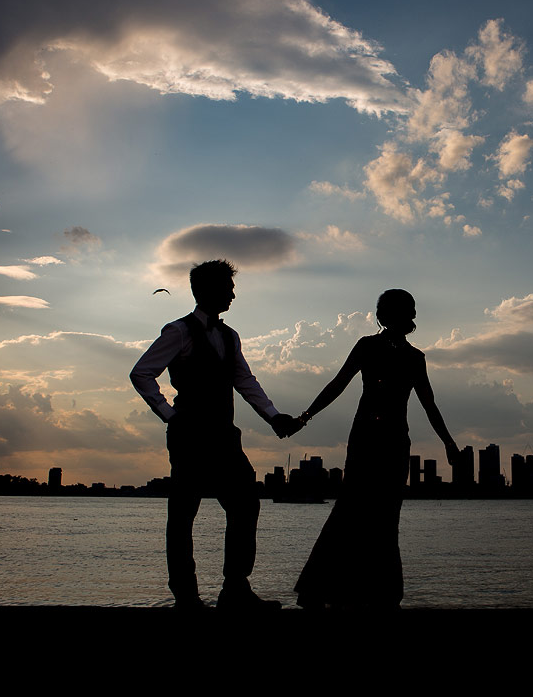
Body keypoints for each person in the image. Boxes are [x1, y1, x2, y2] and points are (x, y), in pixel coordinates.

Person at [130, 259, 300, 609]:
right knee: (183, 514)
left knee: (244, 505)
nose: (233, 295)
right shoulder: (177, 331)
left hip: (224, 435)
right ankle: (187, 597)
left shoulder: (228, 335)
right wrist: (169, 415)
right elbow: (142, 373)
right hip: (189, 435)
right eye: (228, 288)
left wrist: (272, 416)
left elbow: (244, 380)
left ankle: (235, 589)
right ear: (205, 291)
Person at [293, 288, 459, 609]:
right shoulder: (368, 347)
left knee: (383, 516)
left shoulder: (414, 358)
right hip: (368, 440)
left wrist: (449, 442)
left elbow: (429, 405)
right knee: (352, 510)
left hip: (393, 442)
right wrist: (307, 415)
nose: (403, 318)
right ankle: (337, 591)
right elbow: (338, 383)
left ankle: (378, 594)